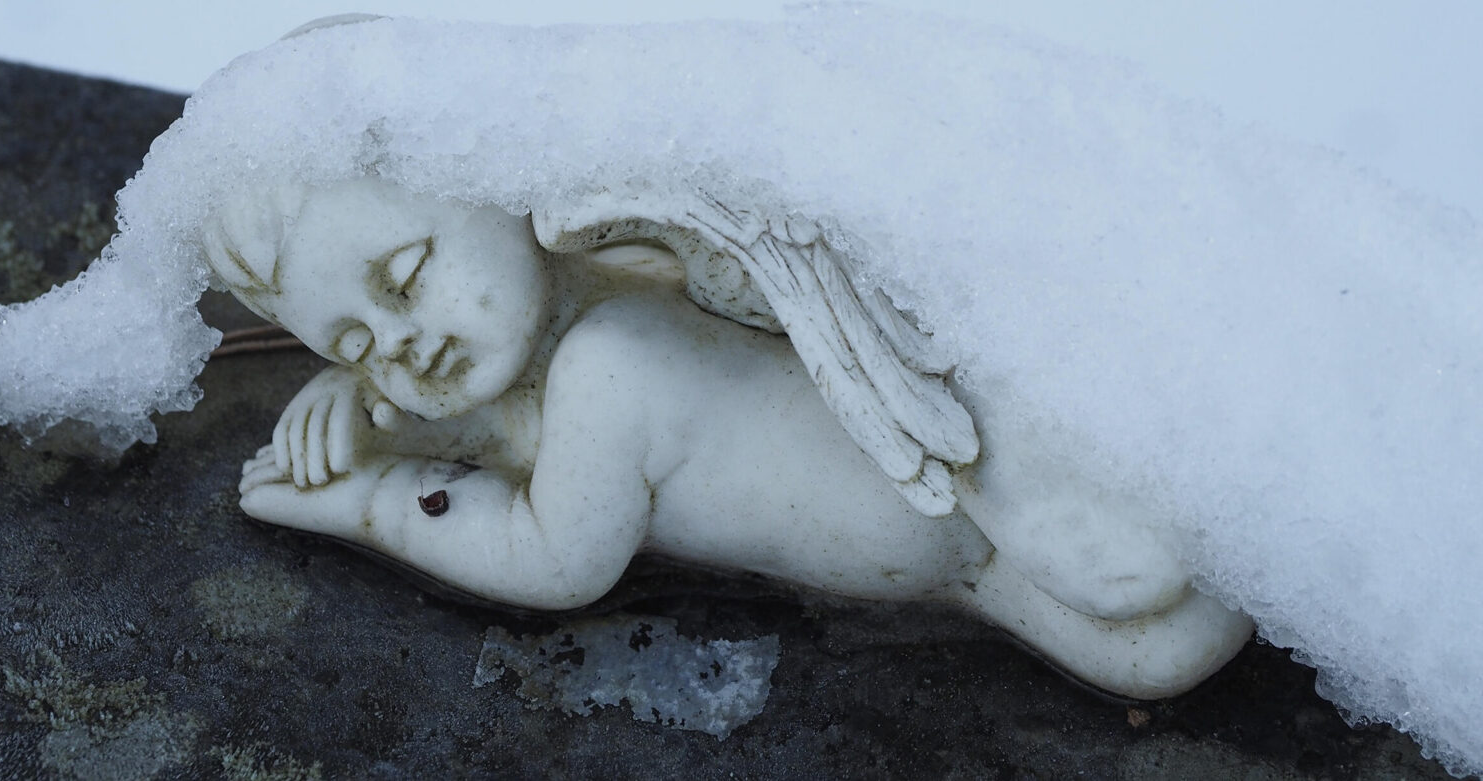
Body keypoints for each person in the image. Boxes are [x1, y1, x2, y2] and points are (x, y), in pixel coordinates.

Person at [207, 174, 1252, 700]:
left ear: (486, 179)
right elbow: (512, 408)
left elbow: (556, 555)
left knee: (1140, 590)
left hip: (964, 503)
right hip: (973, 575)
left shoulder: (611, 360)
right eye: (356, 341)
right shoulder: (602, 308)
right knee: (1167, 648)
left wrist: (375, 500)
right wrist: (367, 403)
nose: (399, 344)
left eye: (404, 277)